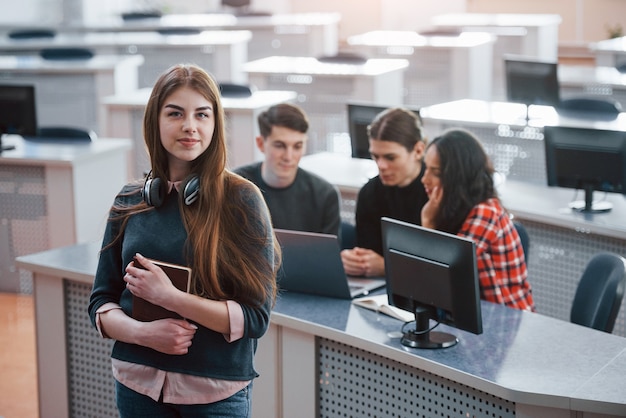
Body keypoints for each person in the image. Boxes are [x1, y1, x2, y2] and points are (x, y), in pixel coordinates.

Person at [88, 63, 281, 417]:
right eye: (175, 113)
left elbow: (255, 318)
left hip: (213, 393)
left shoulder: (242, 200)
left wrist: (171, 298)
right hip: (137, 385)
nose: (190, 126)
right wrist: (142, 333)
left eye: (202, 115)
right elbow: (101, 301)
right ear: (155, 121)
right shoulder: (131, 199)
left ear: (214, 123)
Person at [420, 128, 535, 311]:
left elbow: (441, 278)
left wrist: (428, 223)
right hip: (479, 317)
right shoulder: (452, 208)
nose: (424, 179)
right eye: (426, 169)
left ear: (457, 177)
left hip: (506, 320)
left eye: (436, 172)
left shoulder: (485, 213)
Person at [341, 107, 428, 277]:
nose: (381, 165)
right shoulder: (370, 193)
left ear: (418, 151)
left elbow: (439, 267)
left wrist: (387, 266)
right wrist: (355, 261)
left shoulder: (437, 193)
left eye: (390, 157)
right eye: (375, 156)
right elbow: (367, 253)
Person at [233, 102, 341, 236]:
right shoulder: (234, 187)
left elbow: (328, 255)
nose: (289, 157)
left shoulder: (324, 195)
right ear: (261, 144)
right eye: (280, 146)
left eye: (297, 146)